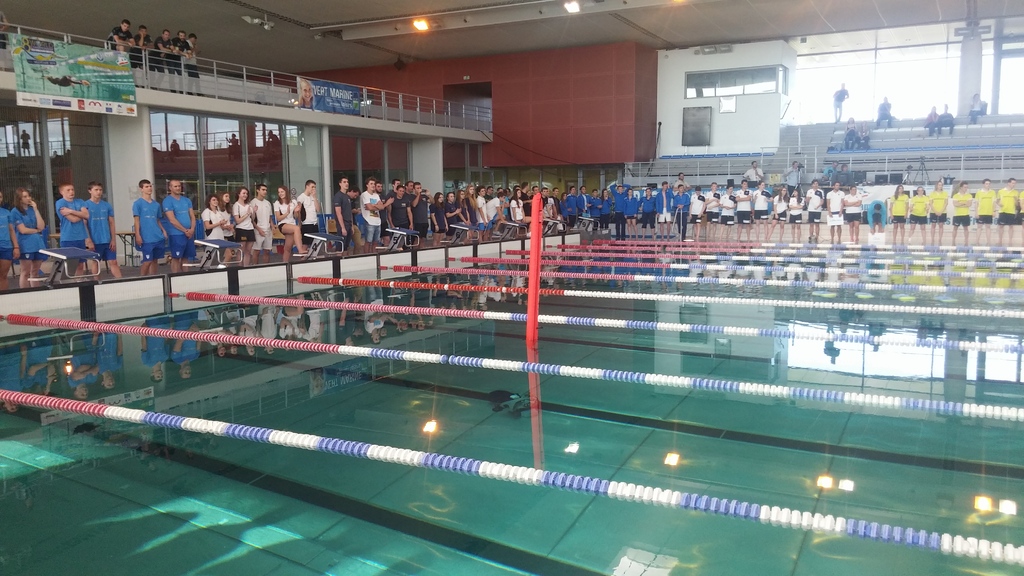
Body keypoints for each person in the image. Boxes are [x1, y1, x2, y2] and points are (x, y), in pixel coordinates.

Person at [84, 182, 123, 279]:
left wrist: (113, 239)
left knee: (113, 261)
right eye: (96, 190)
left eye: (100, 190)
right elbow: (84, 224)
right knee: (96, 262)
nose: (98, 192)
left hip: (107, 239)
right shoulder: (85, 205)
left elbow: (111, 223)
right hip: (95, 239)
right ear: (90, 191)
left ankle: (120, 281)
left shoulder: (106, 205)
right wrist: (88, 239)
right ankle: (97, 283)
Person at [12, 188, 46, 289]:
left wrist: (36, 209)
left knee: (35, 272)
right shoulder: (15, 211)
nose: (28, 198)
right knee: (25, 271)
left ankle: (35, 291)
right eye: (25, 196)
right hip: (25, 244)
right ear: (19, 198)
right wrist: (36, 230)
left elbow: (41, 226)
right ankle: (24, 292)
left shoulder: (32, 210)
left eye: (29, 196)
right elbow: (23, 230)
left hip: (37, 243)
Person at [132, 179, 166, 276]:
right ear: (141, 189)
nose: (149, 188)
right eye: (146, 186)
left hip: (157, 236)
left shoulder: (156, 204)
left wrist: (163, 231)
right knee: (147, 261)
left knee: (155, 260)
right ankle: (142, 279)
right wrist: (137, 235)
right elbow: (136, 220)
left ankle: (153, 278)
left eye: (150, 186)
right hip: (146, 237)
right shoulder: (138, 204)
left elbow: (157, 219)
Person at [55, 183, 90, 276]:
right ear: (62, 192)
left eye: (72, 190)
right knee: (69, 264)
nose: (71, 192)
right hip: (68, 237)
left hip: (80, 236)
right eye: (68, 190)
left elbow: (87, 215)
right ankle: (69, 282)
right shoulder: (60, 203)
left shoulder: (80, 201)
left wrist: (70, 211)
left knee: (80, 264)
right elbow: (73, 219)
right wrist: (80, 214)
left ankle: (79, 281)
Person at [162, 180, 195, 273]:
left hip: (189, 233)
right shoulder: (167, 201)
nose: (178, 188)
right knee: (176, 257)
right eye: (175, 186)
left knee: (186, 257)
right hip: (176, 234)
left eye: (179, 186)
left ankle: (185, 277)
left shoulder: (187, 200)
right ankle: (174, 277)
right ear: (170, 188)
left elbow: (192, 216)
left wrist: (192, 229)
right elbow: (172, 220)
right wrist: (185, 230)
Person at [274, 186, 304, 260]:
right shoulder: (277, 203)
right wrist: (287, 213)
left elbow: (295, 216)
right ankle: (300, 250)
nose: (280, 193)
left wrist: (296, 211)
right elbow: (278, 218)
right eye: (279, 192)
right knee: (296, 229)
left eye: (282, 192)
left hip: (291, 224)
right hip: (282, 224)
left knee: (288, 248)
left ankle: (285, 264)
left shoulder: (293, 202)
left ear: (286, 192)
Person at [232, 187, 255, 266]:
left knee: (248, 251)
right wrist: (247, 214)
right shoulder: (236, 205)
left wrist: (253, 211)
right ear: (239, 194)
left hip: (250, 228)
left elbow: (253, 218)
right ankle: (239, 267)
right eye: (243, 193)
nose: (245, 195)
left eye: (246, 193)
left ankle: (246, 267)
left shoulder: (249, 205)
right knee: (241, 250)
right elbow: (237, 220)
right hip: (241, 229)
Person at [360, 179, 385, 253]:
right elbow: (369, 207)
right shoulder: (364, 195)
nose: (373, 185)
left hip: (377, 221)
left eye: (374, 184)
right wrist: (376, 206)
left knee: (376, 242)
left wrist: (373, 205)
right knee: (368, 241)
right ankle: (367, 256)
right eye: (371, 183)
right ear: (367, 185)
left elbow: (382, 207)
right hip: (369, 221)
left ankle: (374, 256)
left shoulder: (376, 195)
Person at [0, 189, 18, 291]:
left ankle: (4, 297)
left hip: (6, 246)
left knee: (3, 275)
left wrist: (16, 246)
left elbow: (11, 230)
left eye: (0, 197)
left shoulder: (6, 212)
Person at [251, 184, 274, 264]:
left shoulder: (268, 203)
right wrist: (258, 229)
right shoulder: (253, 202)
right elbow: (251, 219)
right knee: (256, 251)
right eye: (263, 190)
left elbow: (269, 217)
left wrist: (272, 226)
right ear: (258, 190)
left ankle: (266, 268)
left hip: (268, 229)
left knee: (267, 251)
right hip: (258, 230)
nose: (265, 192)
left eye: (266, 190)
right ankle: (255, 267)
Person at [332, 177, 353, 251]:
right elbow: (338, 212)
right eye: (344, 182)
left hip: (349, 224)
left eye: (347, 182)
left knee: (346, 247)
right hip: (343, 224)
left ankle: (345, 258)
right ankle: (339, 258)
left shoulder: (347, 196)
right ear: (340, 184)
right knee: (340, 246)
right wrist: (342, 227)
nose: (346, 183)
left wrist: (352, 225)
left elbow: (349, 212)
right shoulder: (338, 196)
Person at [298, 180, 321, 247]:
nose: (313, 189)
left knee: (315, 245)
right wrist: (299, 224)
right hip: (306, 223)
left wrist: (315, 197)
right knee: (305, 244)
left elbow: (318, 209)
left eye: (315, 187)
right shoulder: (301, 197)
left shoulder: (313, 197)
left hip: (314, 223)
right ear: (307, 186)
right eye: (312, 187)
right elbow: (299, 212)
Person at [997, 177, 1019, 246]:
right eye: (1012, 183)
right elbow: (997, 200)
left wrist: (1016, 199)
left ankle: (1010, 241)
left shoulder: (1016, 192)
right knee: (1001, 226)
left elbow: (1017, 205)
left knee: (1011, 226)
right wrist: (999, 204)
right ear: (1008, 183)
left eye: (1014, 183)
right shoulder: (1001, 191)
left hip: (1011, 211)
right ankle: (1000, 240)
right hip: (1003, 211)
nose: (1014, 184)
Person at [975, 178, 996, 246]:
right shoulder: (979, 192)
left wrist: (994, 211)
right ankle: (977, 242)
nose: (988, 185)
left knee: (988, 227)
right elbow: (976, 203)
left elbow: (994, 203)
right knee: (979, 227)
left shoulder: (993, 192)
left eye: (989, 184)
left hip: (989, 212)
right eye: (986, 184)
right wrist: (976, 212)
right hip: (981, 212)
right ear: (983, 184)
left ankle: (988, 242)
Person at [951, 181, 973, 246]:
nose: (966, 189)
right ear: (961, 188)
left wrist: (960, 203)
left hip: (965, 214)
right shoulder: (955, 196)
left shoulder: (969, 195)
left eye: (967, 187)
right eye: (965, 187)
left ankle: (966, 241)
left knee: (966, 228)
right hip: (957, 214)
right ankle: (953, 240)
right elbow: (955, 204)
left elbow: (969, 204)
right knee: (955, 228)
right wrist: (964, 203)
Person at [928, 180, 948, 246]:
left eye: (941, 185)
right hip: (933, 212)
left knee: (941, 225)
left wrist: (941, 211)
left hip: (943, 212)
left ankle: (940, 239)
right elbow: (931, 203)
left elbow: (946, 203)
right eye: (939, 185)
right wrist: (935, 211)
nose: (940, 186)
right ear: (936, 186)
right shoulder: (932, 194)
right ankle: (932, 239)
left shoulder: (945, 193)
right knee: (933, 225)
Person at [805, 179, 825, 244]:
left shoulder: (820, 191)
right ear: (812, 185)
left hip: (818, 210)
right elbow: (807, 201)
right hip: (811, 209)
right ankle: (811, 236)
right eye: (814, 184)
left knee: (817, 224)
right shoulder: (809, 191)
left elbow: (822, 201)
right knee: (811, 224)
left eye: (817, 184)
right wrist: (808, 198)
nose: (815, 185)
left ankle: (817, 237)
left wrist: (818, 206)